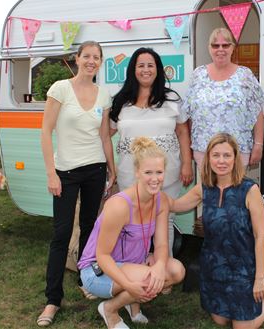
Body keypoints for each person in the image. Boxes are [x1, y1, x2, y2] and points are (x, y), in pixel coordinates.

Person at [171, 133, 264, 329]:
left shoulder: (249, 190)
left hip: (242, 268)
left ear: (235, 158)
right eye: (216, 155)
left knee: (242, 327)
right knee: (220, 321)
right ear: (208, 158)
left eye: (227, 155)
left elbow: (259, 237)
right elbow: (175, 206)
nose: (221, 161)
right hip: (214, 266)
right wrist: (151, 193)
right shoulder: (204, 187)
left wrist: (259, 279)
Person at [109, 47, 192, 320]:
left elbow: (182, 131)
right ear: (133, 70)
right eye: (140, 65)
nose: (146, 70)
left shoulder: (171, 100)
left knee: (163, 222)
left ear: (158, 70)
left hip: (166, 176)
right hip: (130, 176)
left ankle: (160, 272)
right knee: (134, 227)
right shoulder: (121, 102)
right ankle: (134, 284)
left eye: (151, 65)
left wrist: (188, 163)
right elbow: (104, 132)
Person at [37, 41, 116, 327]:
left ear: (100, 62)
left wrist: (112, 168)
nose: (91, 61)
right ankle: (52, 300)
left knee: (88, 229)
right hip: (66, 172)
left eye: (96, 57)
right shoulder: (60, 88)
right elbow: (46, 132)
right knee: (60, 235)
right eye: (87, 56)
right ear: (77, 59)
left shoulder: (104, 94)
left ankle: (86, 282)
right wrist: (50, 173)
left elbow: (105, 136)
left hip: (95, 169)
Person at [77, 137, 185, 329]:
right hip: (97, 270)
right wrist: (128, 285)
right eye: (148, 172)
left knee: (176, 270)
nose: (155, 178)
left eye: (159, 172)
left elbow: (160, 244)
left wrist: (160, 265)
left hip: (130, 262)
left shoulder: (160, 200)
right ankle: (110, 309)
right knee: (148, 279)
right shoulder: (119, 205)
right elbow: (102, 256)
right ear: (137, 172)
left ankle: (131, 304)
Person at [182, 27, 264, 168]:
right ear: (209, 48)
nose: (220, 49)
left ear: (233, 48)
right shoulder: (198, 74)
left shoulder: (245, 75)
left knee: (236, 190)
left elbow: (257, 112)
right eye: (215, 45)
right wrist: (188, 147)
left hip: (237, 150)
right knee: (208, 190)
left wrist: (258, 145)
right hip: (204, 150)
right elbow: (189, 113)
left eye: (225, 45)